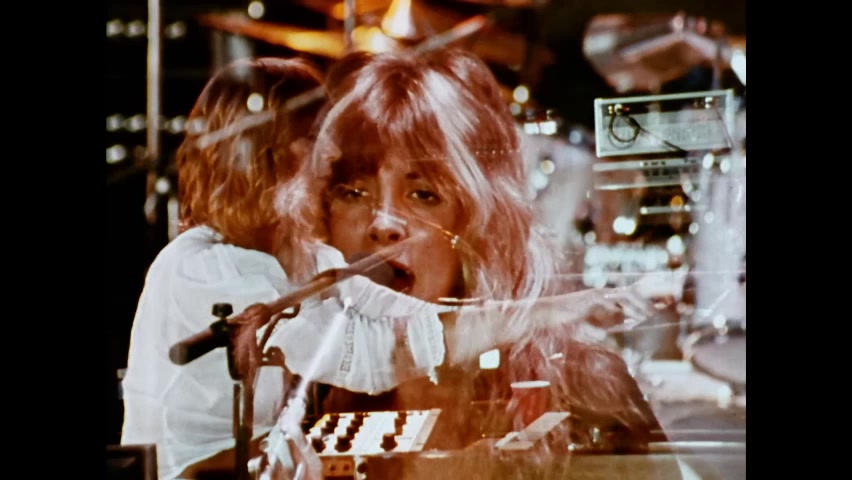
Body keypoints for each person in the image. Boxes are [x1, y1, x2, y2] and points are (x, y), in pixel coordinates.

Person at [258, 47, 682, 462]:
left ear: (479, 226)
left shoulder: (584, 387)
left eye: (423, 194)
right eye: (353, 192)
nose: (383, 223)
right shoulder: (295, 392)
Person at [119, 57, 328, 479]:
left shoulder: (287, 254)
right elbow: (350, 350)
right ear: (262, 156)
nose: (332, 155)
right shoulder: (201, 267)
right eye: (313, 139)